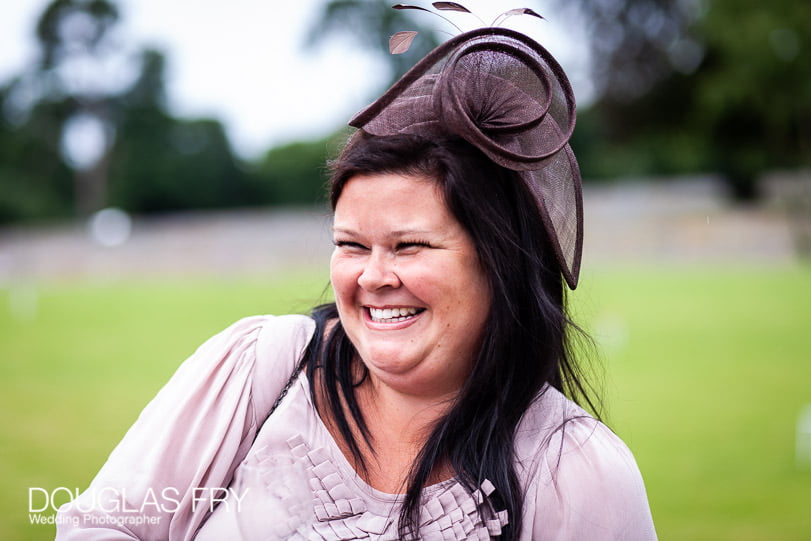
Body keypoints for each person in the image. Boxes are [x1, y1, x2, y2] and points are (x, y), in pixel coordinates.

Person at [56, 14, 657, 541]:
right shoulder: (258, 368)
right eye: (350, 245)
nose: (373, 277)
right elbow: (104, 527)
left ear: (499, 261)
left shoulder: (576, 473)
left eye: (409, 246)